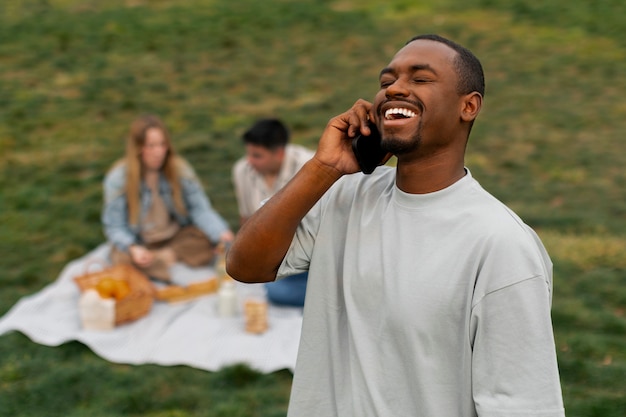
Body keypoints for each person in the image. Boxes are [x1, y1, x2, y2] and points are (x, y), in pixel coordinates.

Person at [226, 34, 566, 417]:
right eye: (386, 82)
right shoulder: (343, 196)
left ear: (468, 106)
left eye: (420, 79)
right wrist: (324, 168)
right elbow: (245, 265)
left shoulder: (501, 245)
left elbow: (521, 404)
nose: (395, 89)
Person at [102, 114, 234, 282]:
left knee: (205, 240)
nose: (158, 152)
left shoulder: (180, 170)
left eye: (162, 145)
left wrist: (221, 233)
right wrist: (133, 248)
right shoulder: (118, 179)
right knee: (122, 258)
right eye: (151, 146)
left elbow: (199, 209)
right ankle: (161, 261)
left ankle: (159, 261)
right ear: (137, 148)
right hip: (141, 240)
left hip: (174, 237)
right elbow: (114, 226)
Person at [231, 118, 314, 307]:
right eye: (248, 154)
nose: (249, 161)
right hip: (270, 256)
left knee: (276, 291)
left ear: (279, 153)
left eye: (257, 156)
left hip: (308, 253)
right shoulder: (241, 170)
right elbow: (246, 219)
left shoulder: (309, 166)